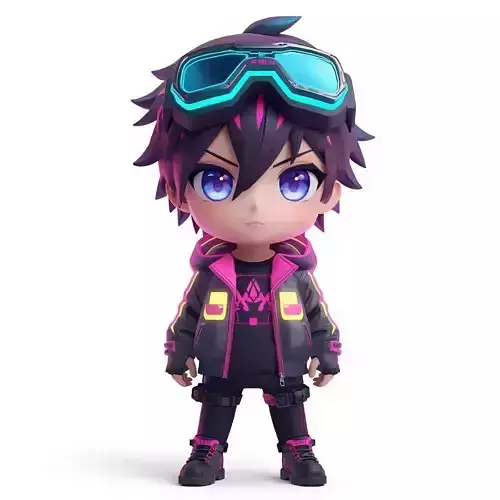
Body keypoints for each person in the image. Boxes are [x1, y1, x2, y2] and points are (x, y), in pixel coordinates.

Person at [132, 15, 372, 487]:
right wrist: (178, 352)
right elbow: (188, 315)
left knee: (290, 409)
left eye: (295, 180)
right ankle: (208, 451)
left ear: (330, 192)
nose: (257, 207)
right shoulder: (212, 272)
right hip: (221, 362)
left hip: (284, 363)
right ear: (178, 192)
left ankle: (298, 451)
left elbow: (319, 316)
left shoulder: (295, 274)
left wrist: (328, 352)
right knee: (216, 406)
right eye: (217, 181)